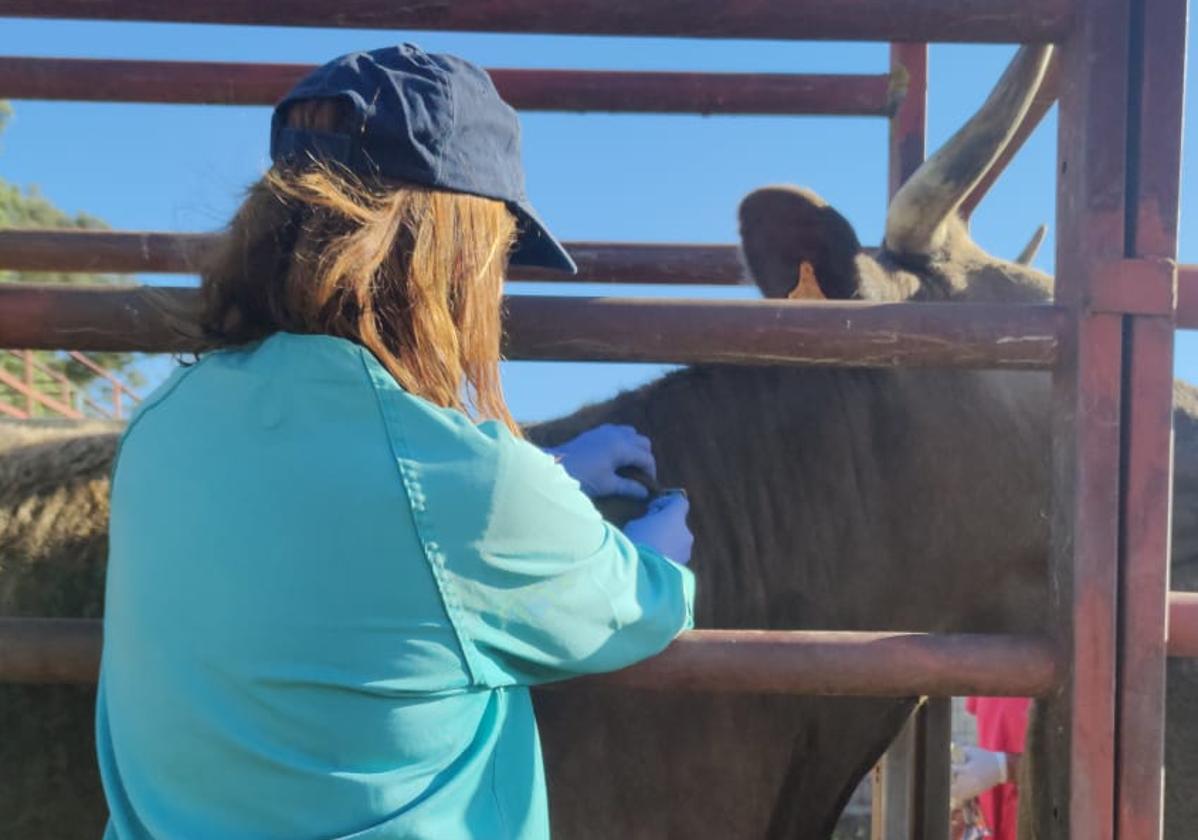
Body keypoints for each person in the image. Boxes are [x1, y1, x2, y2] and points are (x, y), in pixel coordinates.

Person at [95, 44, 695, 840]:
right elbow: (631, 608)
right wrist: (660, 549)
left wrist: (544, 475)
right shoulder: (465, 485)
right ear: (452, 253)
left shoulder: (159, 426)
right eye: (499, 251)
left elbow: (331, 534)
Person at [951, 697, 1031, 840]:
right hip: (994, 821)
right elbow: (992, 731)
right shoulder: (985, 676)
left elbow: (1080, 761)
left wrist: (1005, 767)